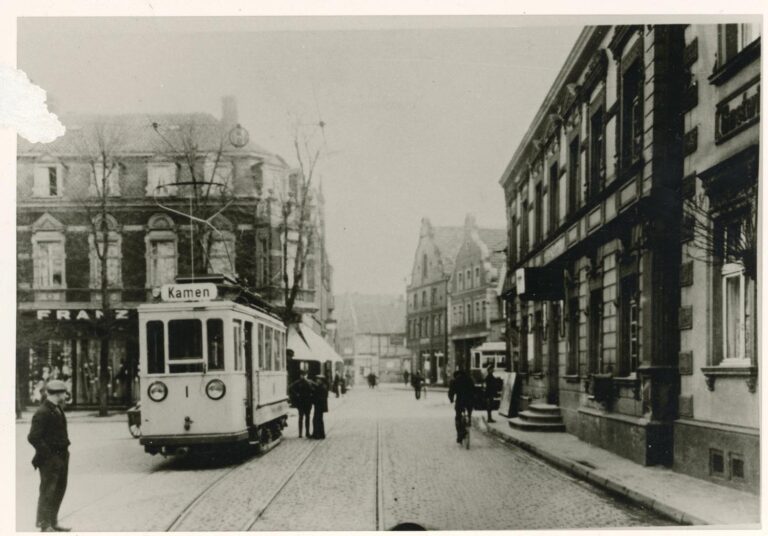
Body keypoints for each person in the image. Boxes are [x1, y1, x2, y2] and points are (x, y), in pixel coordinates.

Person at [27, 380, 71, 532]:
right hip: (50, 459)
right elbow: (33, 437)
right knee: (48, 491)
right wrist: (49, 456)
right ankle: (44, 524)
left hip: (62, 456)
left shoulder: (57, 408)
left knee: (59, 489)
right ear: (58, 393)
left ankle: (53, 522)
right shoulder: (43, 412)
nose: (66, 395)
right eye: (64, 393)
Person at [448, 369, 476, 443]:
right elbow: (474, 390)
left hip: (460, 401)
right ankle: (469, 420)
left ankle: (459, 435)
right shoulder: (469, 380)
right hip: (469, 401)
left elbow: (451, 392)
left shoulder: (455, 381)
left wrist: (451, 399)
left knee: (458, 417)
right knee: (469, 412)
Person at [288, 370, 315, 438]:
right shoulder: (298, 382)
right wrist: (296, 394)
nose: (303, 376)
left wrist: (312, 395)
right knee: (301, 418)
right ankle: (300, 433)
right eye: (302, 375)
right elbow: (290, 388)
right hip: (301, 403)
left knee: (307, 417)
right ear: (300, 376)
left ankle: (307, 432)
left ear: (307, 375)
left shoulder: (309, 382)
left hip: (308, 402)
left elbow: (314, 389)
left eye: (304, 375)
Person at [311, 375, 329, 439]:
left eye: (318, 379)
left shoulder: (322, 387)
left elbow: (318, 396)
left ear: (321, 380)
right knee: (318, 420)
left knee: (316, 420)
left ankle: (317, 434)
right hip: (320, 406)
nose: (317, 380)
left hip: (319, 406)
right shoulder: (323, 386)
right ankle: (320, 434)